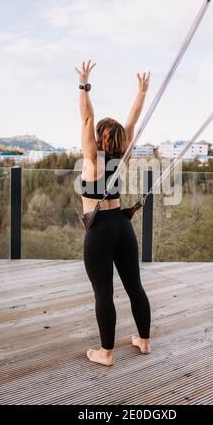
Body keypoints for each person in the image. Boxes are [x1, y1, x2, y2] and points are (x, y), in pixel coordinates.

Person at [74, 60, 151, 366]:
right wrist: (142, 93)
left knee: (103, 294)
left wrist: (84, 85)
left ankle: (106, 353)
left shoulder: (93, 159)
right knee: (135, 287)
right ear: (119, 140)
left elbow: (87, 116)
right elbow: (131, 123)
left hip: (100, 230)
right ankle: (143, 341)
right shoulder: (122, 157)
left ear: (99, 137)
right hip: (122, 225)